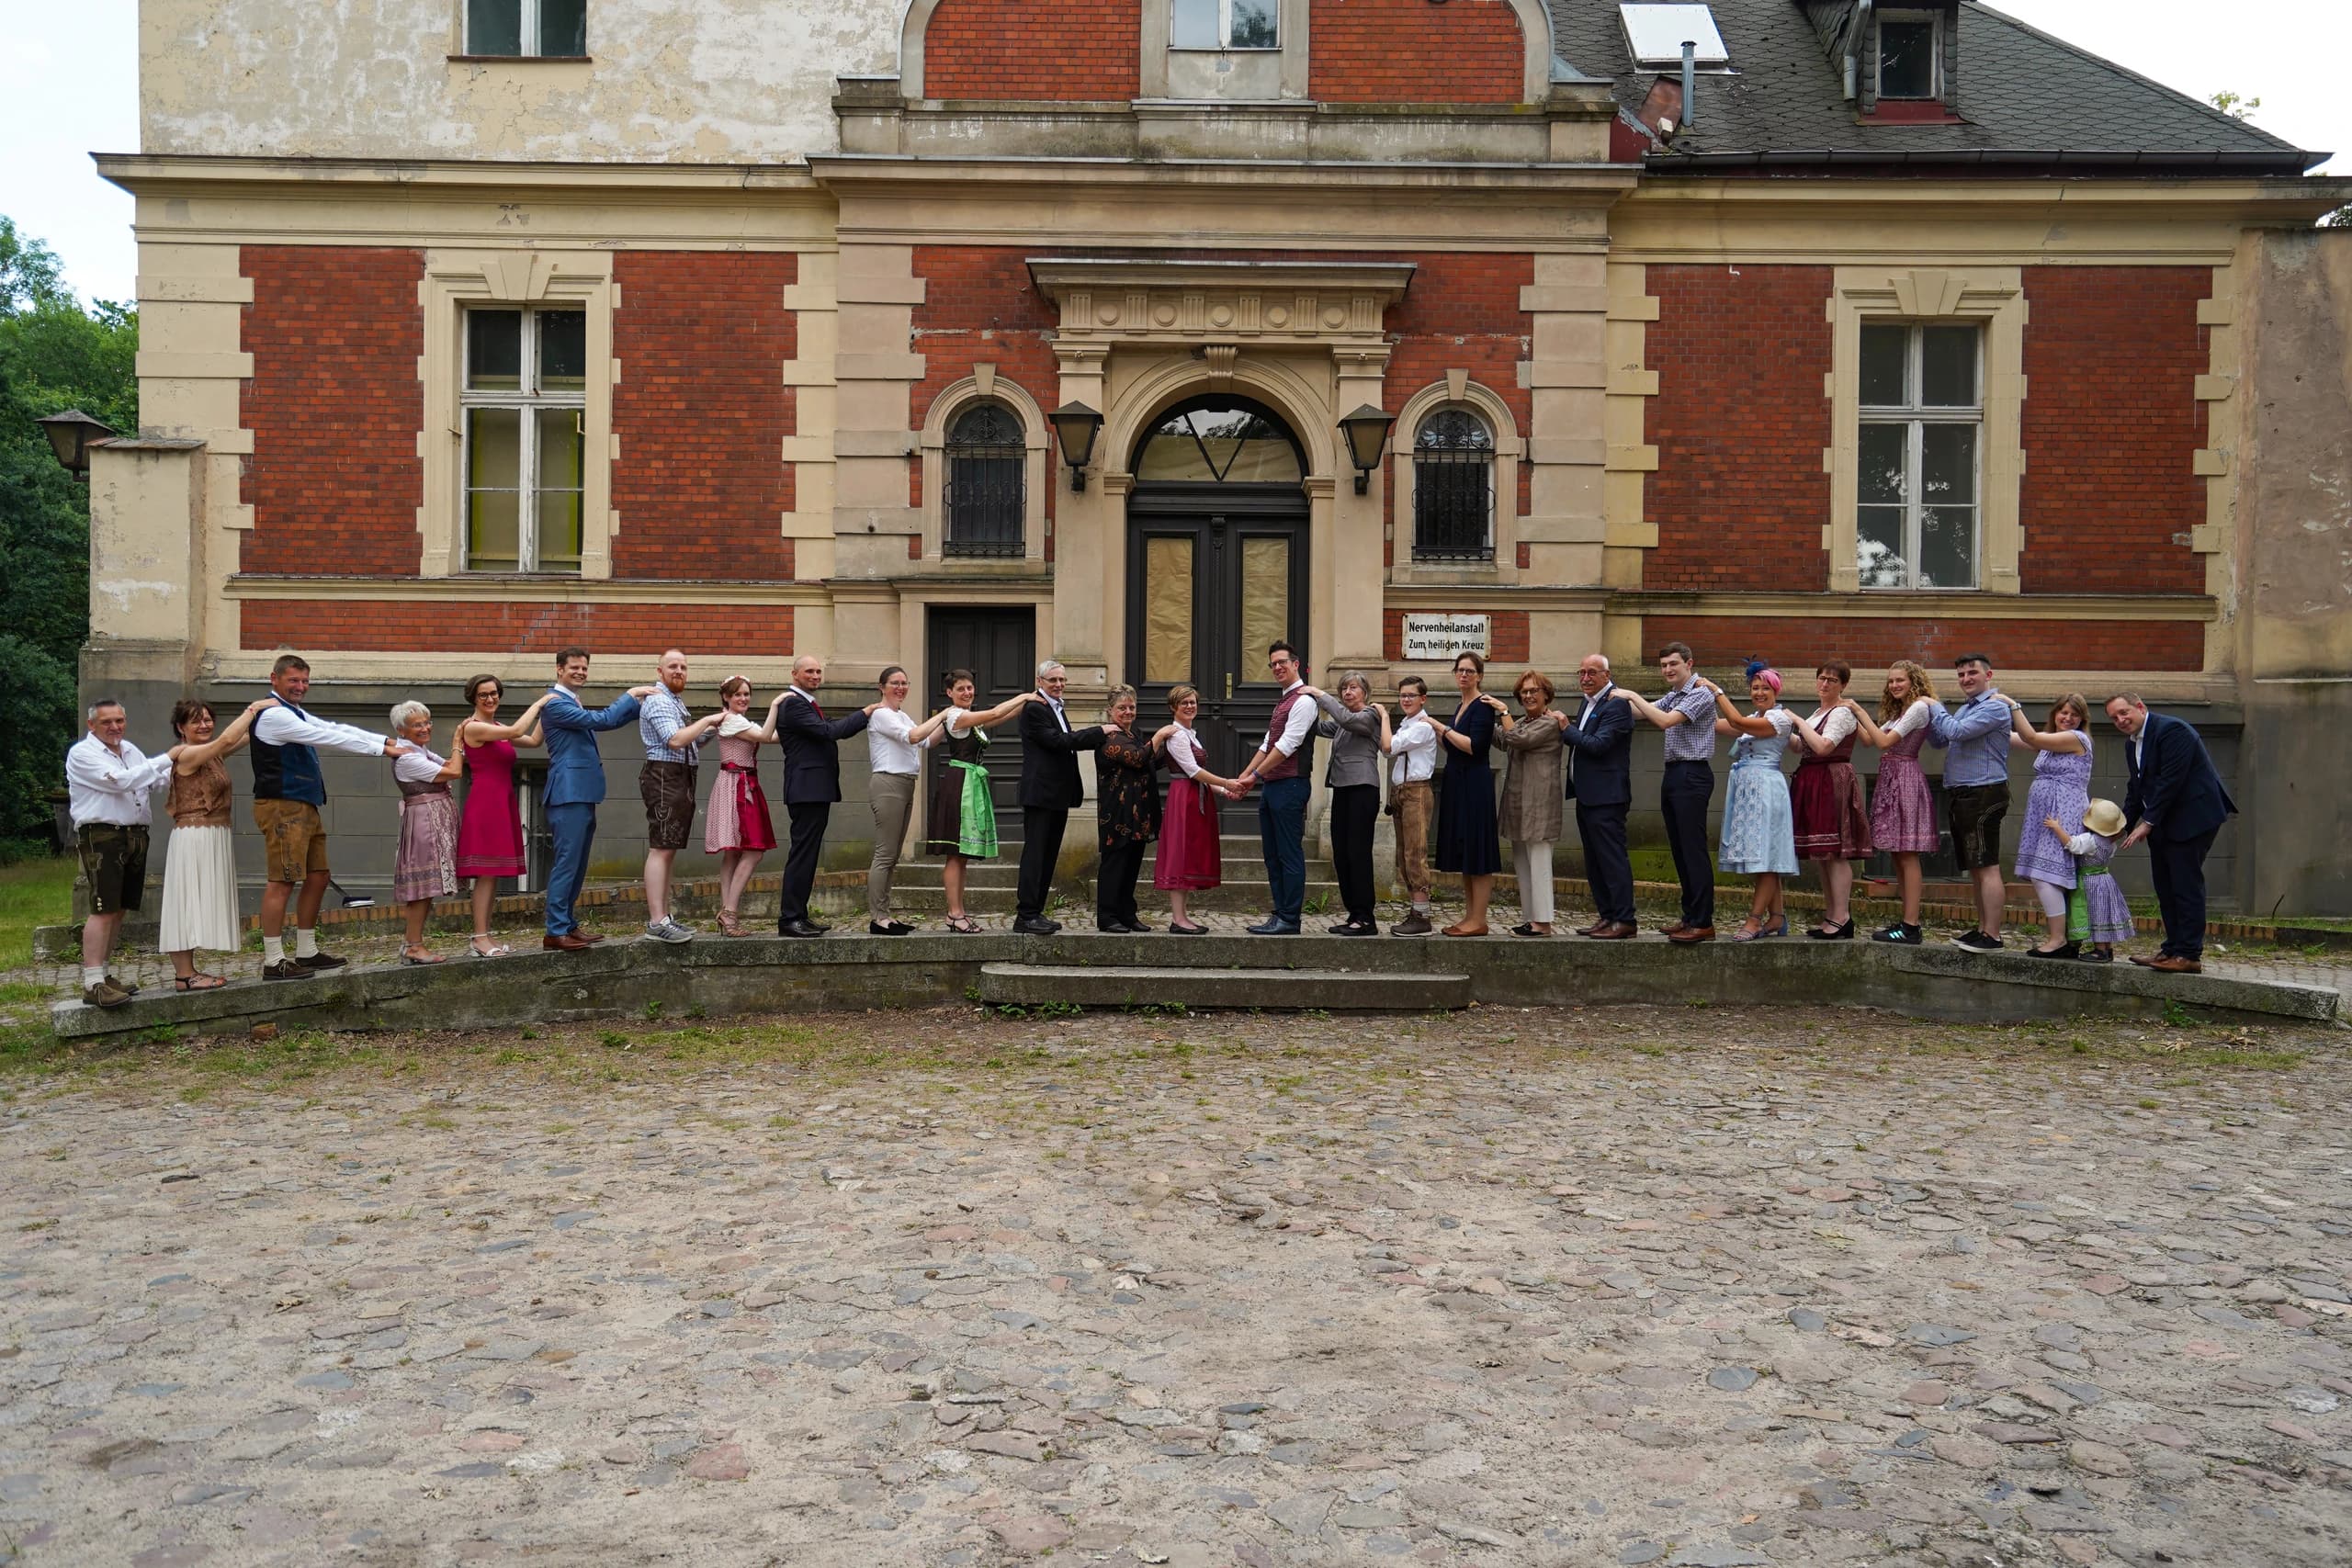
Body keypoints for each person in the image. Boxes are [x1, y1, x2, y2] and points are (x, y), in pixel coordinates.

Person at [250, 653, 413, 980]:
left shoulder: (293, 711)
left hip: (304, 804)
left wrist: (384, 739)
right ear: (275, 679)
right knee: (282, 880)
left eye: (305, 681)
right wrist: (382, 750)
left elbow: (332, 726)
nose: (300, 687)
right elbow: (328, 738)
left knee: (318, 876)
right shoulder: (274, 716)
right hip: (282, 805)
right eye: (293, 680)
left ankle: (307, 950)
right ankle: (273, 960)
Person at [2108, 693, 2236, 973]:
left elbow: (2171, 781)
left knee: (2185, 885)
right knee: (2166, 886)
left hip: (2193, 818)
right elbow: (2136, 790)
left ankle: (2189, 955)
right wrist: (2119, 828)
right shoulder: (2132, 745)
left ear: (2140, 707)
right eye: (2114, 717)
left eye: (2124, 712)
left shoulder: (2172, 730)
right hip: (2165, 821)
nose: (2120, 720)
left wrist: (2148, 822)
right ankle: (2171, 950)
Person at [539, 647, 657, 952]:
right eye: (574, 668)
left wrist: (639, 706)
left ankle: (567, 924)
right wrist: (630, 695)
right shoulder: (555, 703)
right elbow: (603, 720)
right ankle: (555, 930)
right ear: (559, 669)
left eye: (584, 668)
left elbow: (607, 720)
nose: (580, 672)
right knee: (567, 862)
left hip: (582, 791)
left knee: (577, 864)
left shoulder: (570, 702)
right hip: (568, 792)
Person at [64, 698, 177, 1008]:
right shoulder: (82, 754)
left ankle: (103, 973)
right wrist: (169, 756)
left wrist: (188, 762)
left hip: (134, 835)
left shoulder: (129, 750)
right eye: (106, 722)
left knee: (119, 908)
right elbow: (123, 782)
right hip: (103, 836)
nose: (115, 727)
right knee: (103, 907)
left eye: (119, 721)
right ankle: (92, 983)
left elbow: (155, 780)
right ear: (92, 725)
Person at [157, 697, 268, 993]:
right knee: (185, 903)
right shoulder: (187, 755)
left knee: (196, 902)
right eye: (196, 720)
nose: (204, 724)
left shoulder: (211, 755)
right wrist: (254, 708)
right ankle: (184, 976)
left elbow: (243, 737)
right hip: (193, 836)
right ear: (181, 728)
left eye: (208, 719)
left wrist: (275, 715)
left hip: (213, 834)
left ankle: (189, 971)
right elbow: (228, 738)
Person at [1614, 642, 1721, 940]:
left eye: (1673, 664)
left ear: (1689, 663)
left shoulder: (1701, 693)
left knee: (1693, 850)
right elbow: (1641, 713)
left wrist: (1632, 693)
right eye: (1663, 666)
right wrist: (1608, 698)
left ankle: (1703, 922)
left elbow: (1663, 721)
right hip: (1674, 773)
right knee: (1680, 850)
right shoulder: (1675, 695)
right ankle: (1689, 917)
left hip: (1693, 773)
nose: (1667, 670)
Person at [774, 654, 880, 939]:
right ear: (794, 674)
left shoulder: (807, 703)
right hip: (805, 790)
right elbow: (829, 731)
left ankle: (800, 915)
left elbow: (834, 725)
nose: (815, 676)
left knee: (808, 855)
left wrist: (864, 716)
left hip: (814, 789)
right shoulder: (793, 703)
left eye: (819, 671)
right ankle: (790, 919)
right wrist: (867, 712)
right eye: (809, 671)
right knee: (802, 855)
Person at [924, 670, 1036, 933]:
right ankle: (954, 913)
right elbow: (996, 713)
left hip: (969, 783)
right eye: (961, 689)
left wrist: (1028, 703)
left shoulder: (970, 719)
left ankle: (958, 912)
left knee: (962, 855)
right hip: (959, 785)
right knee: (955, 853)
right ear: (949, 693)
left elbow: (1002, 717)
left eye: (970, 688)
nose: (967, 693)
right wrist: (1024, 695)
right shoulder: (956, 715)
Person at [1842, 660, 1939, 946]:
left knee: (1908, 853)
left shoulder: (1920, 708)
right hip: (1891, 778)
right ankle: (1906, 922)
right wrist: (1844, 713)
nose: (1894, 685)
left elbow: (1884, 742)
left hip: (1906, 777)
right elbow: (1869, 739)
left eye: (1900, 680)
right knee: (1898, 853)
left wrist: (1859, 710)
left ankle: (1912, 925)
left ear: (1914, 682)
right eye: (1891, 681)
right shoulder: (1900, 711)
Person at [452, 675, 550, 958]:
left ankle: (483, 935)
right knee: (485, 874)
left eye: (494, 693)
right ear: (473, 698)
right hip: (486, 804)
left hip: (501, 800)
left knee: (492, 875)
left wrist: (553, 709)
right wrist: (541, 701)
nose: (490, 699)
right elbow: (519, 727)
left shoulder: (495, 727)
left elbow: (532, 740)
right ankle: (479, 937)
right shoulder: (474, 727)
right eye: (483, 695)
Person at [1699, 662, 1796, 942]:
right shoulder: (1754, 715)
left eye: (1766, 687)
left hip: (1766, 787)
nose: (1760, 692)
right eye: (1755, 688)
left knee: (1765, 856)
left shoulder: (1780, 719)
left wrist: (1717, 692)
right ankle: (1776, 917)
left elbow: (1738, 723)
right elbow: (1720, 724)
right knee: (1763, 854)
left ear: (1776, 691)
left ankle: (1754, 920)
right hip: (1748, 788)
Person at [1928, 653, 2015, 953]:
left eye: (1972, 673)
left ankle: (1992, 935)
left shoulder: (1995, 707)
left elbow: (1955, 732)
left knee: (1987, 865)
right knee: (1977, 867)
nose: (1966, 679)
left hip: (1983, 793)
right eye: (1961, 674)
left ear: (1988, 676)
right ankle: (1982, 929)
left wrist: (1933, 705)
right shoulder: (1967, 708)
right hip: (1964, 794)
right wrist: (1926, 717)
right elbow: (1941, 740)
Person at [1013, 660, 1105, 935]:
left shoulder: (1056, 706)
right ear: (1040, 682)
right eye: (1053, 680)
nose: (1059, 685)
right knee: (1036, 854)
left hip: (1056, 794)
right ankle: (1026, 915)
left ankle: (1036, 913)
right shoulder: (1034, 709)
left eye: (1062, 680)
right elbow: (1058, 742)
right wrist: (1100, 732)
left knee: (1048, 855)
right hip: (1040, 793)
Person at [638, 649, 724, 944]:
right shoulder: (659, 699)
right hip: (665, 775)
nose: (679, 671)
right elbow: (674, 740)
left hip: (680, 775)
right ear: (659, 671)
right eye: (673, 666)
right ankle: (656, 921)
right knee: (661, 848)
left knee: (669, 848)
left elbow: (691, 740)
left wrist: (711, 728)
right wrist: (709, 718)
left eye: (684, 667)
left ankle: (664, 917)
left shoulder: (674, 700)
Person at [1233, 641, 1318, 936]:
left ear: (1297, 664)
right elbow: (1268, 743)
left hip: (1291, 785)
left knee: (1288, 854)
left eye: (1282, 662)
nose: (1278, 667)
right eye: (1273, 664)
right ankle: (1280, 913)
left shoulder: (1305, 701)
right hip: (1273, 786)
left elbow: (1287, 745)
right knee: (1272, 855)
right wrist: (1242, 779)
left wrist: (1253, 775)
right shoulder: (1284, 701)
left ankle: (1290, 919)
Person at [2007, 693, 2096, 959]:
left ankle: (2058, 939)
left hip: (2063, 812)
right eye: (2063, 712)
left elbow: (2031, 737)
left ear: (2081, 720)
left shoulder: (2077, 738)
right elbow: (2017, 737)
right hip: (2044, 814)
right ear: (2054, 713)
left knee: (2046, 874)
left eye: (2074, 714)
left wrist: (2012, 705)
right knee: (2046, 874)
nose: (2067, 718)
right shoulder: (2051, 742)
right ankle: (2066, 939)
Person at [865, 666, 952, 936]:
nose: (900, 687)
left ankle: (885, 914)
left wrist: (949, 722)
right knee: (885, 854)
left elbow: (926, 742)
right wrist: (945, 714)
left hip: (905, 784)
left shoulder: (901, 715)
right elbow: (914, 736)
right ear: (882, 687)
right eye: (895, 683)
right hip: (888, 783)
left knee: (892, 857)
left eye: (904, 683)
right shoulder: (881, 715)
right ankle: (877, 917)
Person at [1788, 660, 1872, 940]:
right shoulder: (1817, 713)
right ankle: (1831, 914)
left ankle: (1842, 916)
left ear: (1843, 685)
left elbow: (1824, 747)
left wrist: (1798, 721)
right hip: (1813, 779)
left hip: (1831, 779)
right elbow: (1803, 745)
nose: (1825, 684)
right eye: (1822, 679)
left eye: (1832, 681)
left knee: (1835, 851)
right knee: (1821, 853)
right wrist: (1779, 728)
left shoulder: (1842, 714)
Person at [1153, 685, 1242, 935]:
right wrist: (1226, 782)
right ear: (1173, 707)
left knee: (1189, 854)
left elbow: (1199, 778)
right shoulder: (1177, 735)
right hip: (1184, 799)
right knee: (1180, 854)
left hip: (1195, 796)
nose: (1190, 706)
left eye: (1193, 702)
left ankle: (1182, 917)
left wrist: (1224, 792)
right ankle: (1178, 919)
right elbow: (1193, 772)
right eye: (1184, 703)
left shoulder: (1190, 733)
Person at [1559, 653, 1636, 941]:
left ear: (1606, 674)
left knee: (1612, 859)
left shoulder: (1616, 705)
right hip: (1587, 795)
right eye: (1581, 672)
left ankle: (1625, 919)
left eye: (1592, 672)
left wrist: (1566, 729)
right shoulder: (1589, 702)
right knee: (1594, 861)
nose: (1585, 678)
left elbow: (1598, 744)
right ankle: (1607, 916)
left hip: (1607, 798)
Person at [1426, 651, 1501, 938]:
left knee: (1478, 851)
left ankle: (1479, 919)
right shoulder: (1461, 705)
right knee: (1466, 852)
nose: (1464, 675)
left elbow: (1475, 747)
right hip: (1458, 781)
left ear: (1479, 675)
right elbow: (1456, 747)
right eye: (1460, 670)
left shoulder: (1482, 706)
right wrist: (1437, 736)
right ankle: (1469, 916)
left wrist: (1440, 727)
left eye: (1470, 671)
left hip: (1475, 785)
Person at [704, 677, 785, 937]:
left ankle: (727, 914)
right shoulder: (731, 720)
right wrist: (775, 705)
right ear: (726, 697)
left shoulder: (737, 720)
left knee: (733, 853)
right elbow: (765, 736)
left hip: (739, 782)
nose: (743, 698)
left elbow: (770, 735)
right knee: (753, 851)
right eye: (737, 694)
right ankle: (729, 913)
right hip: (737, 785)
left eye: (747, 694)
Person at [1312, 672, 1389, 936]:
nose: (1347, 692)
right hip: (1343, 790)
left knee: (1357, 853)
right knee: (1342, 854)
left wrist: (1321, 696)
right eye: (1343, 688)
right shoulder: (1346, 723)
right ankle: (1354, 914)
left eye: (1353, 688)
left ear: (1365, 692)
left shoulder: (1369, 715)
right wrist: (1300, 709)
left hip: (1362, 790)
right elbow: (1322, 728)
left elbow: (1345, 718)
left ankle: (1366, 918)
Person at [389, 700, 465, 964]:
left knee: (427, 888)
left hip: (432, 819)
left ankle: (413, 943)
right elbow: (453, 771)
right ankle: (413, 945)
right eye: (416, 725)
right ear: (402, 730)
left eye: (426, 722)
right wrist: (457, 740)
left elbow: (444, 764)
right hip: (425, 823)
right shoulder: (408, 758)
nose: (424, 728)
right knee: (421, 888)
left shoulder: (417, 751)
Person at [1493, 671, 1566, 937]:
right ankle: (1530, 918)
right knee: (1522, 862)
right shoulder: (1523, 721)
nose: (1528, 695)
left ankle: (1543, 922)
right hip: (1519, 803)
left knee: (1540, 862)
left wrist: (1502, 712)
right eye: (1524, 692)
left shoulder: (1549, 723)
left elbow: (1517, 739)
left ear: (1546, 694)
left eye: (1534, 690)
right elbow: (1503, 739)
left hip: (1540, 804)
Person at [1093, 685, 1164, 933]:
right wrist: (1160, 736)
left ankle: (1127, 914)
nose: (1127, 712)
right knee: (1115, 864)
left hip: (1137, 813)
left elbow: (1148, 761)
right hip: (1117, 813)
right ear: (1110, 711)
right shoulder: (1110, 736)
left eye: (1131, 707)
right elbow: (1137, 758)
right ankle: (1107, 916)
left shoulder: (1132, 735)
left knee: (1132, 865)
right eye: (1122, 708)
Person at [2043, 797, 2133, 963]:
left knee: (2096, 915)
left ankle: (2100, 951)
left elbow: (2072, 844)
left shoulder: (2090, 841)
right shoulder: (2109, 842)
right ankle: (2107, 949)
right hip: (2105, 880)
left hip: (2090, 882)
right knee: (2104, 914)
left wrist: (2057, 827)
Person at [1385, 676, 1441, 936]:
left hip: (1416, 792)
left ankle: (1422, 916)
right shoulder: (1409, 723)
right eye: (1402, 696)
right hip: (1402, 793)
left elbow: (1388, 747)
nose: (1405, 700)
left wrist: (1384, 717)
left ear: (1423, 698)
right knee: (1404, 853)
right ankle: (1416, 909)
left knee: (1414, 853)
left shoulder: (1422, 726)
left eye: (1411, 695)